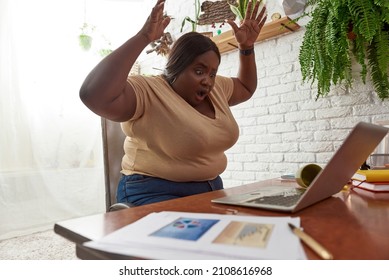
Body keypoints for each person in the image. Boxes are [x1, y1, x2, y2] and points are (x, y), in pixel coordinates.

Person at [79, 0, 267, 206]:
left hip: (210, 188)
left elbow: (245, 87)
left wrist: (246, 48)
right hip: (151, 190)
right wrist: (144, 37)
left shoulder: (216, 89)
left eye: (212, 73)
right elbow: (94, 95)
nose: (208, 79)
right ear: (177, 66)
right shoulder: (148, 90)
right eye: (199, 71)